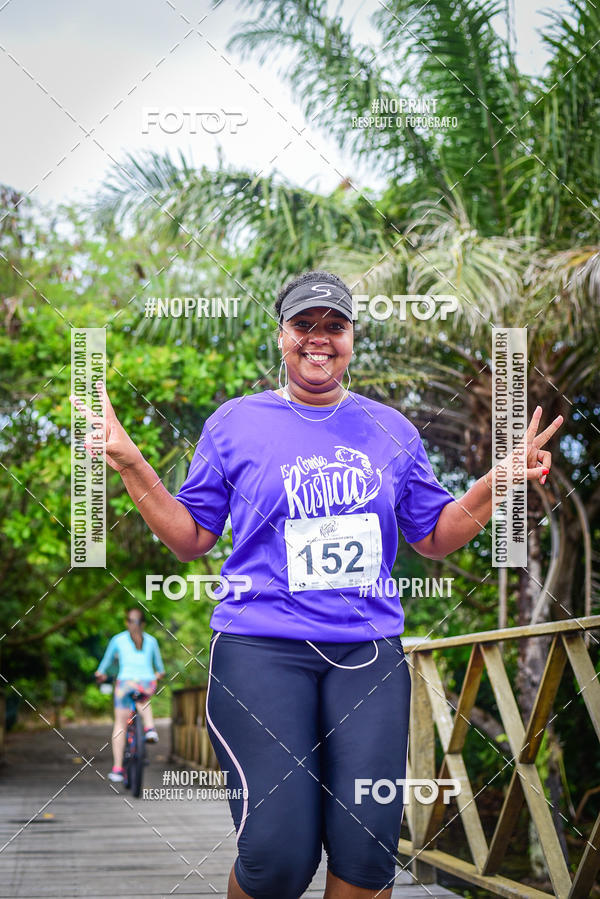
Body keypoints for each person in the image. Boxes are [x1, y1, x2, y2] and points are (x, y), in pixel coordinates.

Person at [71, 270, 563, 898]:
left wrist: (499, 483)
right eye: (304, 325)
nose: (319, 339)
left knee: (366, 855)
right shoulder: (235, 423)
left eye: (335, 326)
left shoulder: (392, 430)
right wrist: (130, 460)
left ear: (353, 337)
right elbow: (191, 535)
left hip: (367, 656)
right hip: (260, 652)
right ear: (281, 336)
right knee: (278, 856)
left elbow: (434, 535)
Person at [95, 607, 165, 782]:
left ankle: (118, 768)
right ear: (144, 624)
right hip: (146, 683)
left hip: (125, 683)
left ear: (127, 622)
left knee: (120, 724)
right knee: (143, 698)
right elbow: (160, 669)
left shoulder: (117, 640)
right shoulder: (152, 641)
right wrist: (156, 677)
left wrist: (101, 673)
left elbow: (105, 663)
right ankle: (149, 728)